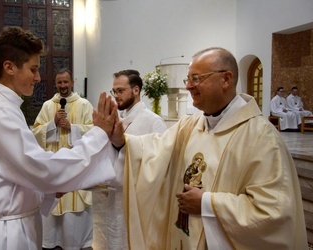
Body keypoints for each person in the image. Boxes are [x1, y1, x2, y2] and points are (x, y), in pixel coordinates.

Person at [109, 47, 308, 249]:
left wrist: (207, 204)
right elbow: (155, 149)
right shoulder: (190, 125)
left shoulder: (262, 138)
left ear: (226, 79)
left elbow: (273, 212)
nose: (188, 87)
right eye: (188, 79)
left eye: (196, 79)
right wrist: (121, 141)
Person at [0, 26, 119, 250]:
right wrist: (99, 134)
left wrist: (49, 188)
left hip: (15, 222)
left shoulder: (5, 107)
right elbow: (41, 168)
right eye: (33, 69)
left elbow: (21, 169)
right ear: (9, 67)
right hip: (9, 234)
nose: (38, 77)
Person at [32, 69, 95, 250]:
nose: (63, 86)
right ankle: (51, 242)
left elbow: (94, 132)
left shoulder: (84, 105)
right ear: (55, 83)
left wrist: (73, 128)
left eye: (66, 82)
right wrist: (52, 124)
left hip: (76, 168)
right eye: (59, 83)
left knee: (74, 215)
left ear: (72, 82)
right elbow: (35, 132)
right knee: (52, 212)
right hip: (53, 168)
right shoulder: (47, 106)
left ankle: (75, 243)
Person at [107, 69, 167, 249]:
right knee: (116, 238)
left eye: (120, 91)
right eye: (114, 91)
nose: (116, 96)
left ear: (135, 90)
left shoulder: (153, 121)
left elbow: (161, 162)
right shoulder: (118, 119)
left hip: (140, 198)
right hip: (117, 195)